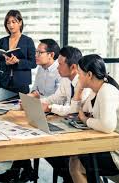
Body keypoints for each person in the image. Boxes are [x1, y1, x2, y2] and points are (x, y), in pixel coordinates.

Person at [0, 38, 61, 183]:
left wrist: (36, 102)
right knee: (16, 128)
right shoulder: (42, 68)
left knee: (23, 130)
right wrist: (28, 98)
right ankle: (23, 170)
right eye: (36, 51)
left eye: (39, 52)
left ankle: (19, 171)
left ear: (51, 55)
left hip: (54, 113)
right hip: (40, 109)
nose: (35, 55)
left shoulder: (59, 71)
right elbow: (36, 90)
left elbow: (58, 99)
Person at [69, 54, 119, 183]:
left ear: (89, 75)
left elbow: (107, 126)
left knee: (76, 164)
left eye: (80, 74)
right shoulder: (96, 90)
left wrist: (85, 120)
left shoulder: (107, 91)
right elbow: (78, 112)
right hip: (112, 147)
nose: (78, 77)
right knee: (75, 159)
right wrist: (78, 91)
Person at [40, 46, 88, 183]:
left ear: (73, 67)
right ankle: (68, 175)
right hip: (72, 126)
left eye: (60, 64)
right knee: (47, 150)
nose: (57, 68)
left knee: (56, 154)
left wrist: (49, 108)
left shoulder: (84, 81)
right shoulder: (66, 79)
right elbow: (55, 98)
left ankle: (69, 176)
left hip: (84, 132)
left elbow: (74, 110)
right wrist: (37, 103)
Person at [0, 10, 36, 94]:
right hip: (5, 82)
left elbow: (33, 63)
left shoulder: (28, 41)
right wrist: (6, 63)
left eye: (14, 22)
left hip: (22, 84)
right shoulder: (2, 41)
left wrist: (18, 61)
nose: (11, 25)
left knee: (21, 107)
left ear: (20, 22)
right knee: (3, 106)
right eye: (8, 23)